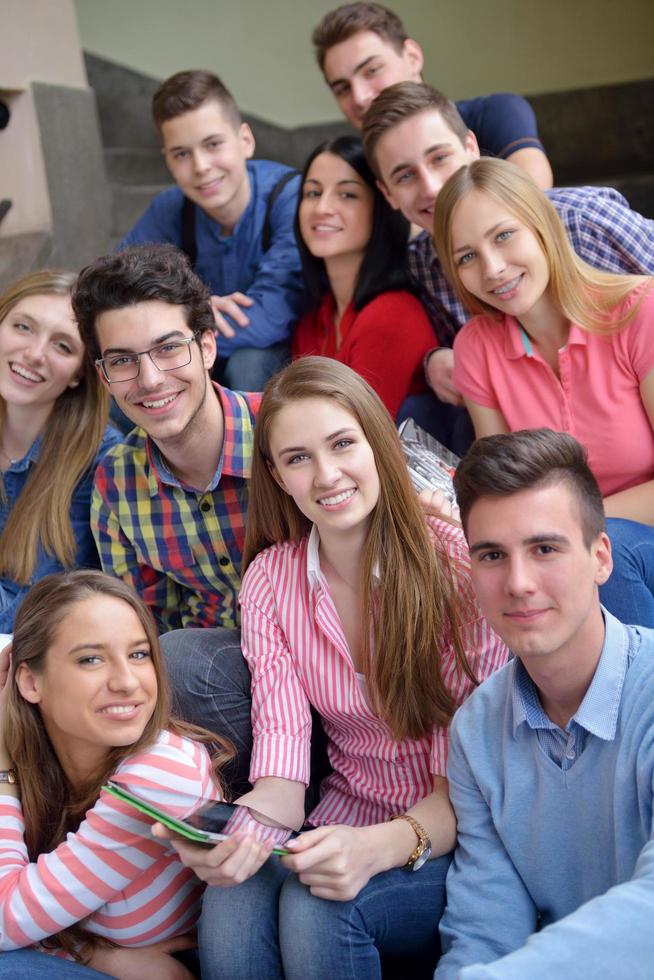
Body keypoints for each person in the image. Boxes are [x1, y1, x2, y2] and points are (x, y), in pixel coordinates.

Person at [155, 356, 507, 980]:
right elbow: (284, 768)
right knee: (231, 899)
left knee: (317, 908)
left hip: (450, 837)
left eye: (343, 444)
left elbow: (478, 780)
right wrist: (240, 839)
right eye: (297, 458)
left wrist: (378, 847)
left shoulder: (458, 567)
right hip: (338, 817)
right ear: (276, 474)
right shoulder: (271, 579)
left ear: (376, 442)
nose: (326, 475)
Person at [434, 429, 654, 979]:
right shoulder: (475, 730)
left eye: (545, 549)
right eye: (491, 555)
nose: (519, 582)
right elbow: (484, 926)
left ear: (601, 557)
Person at [361, 82, 654, 449]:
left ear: (471, 147)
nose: (432, 186)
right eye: (405, 176)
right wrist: (432, 360)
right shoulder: (423, 266)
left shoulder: (585, 219)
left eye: (439, 158)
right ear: (387, 193)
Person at [432, 157, 654, 624]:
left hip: (632, 543)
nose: (492, 268)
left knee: (597, 562)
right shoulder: (476, 347)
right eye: (467, 257)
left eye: (504, 235)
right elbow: (502, 487)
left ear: (542, 226)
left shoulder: (640, 311)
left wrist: (563, 526)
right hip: (558, 549)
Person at [72, 245, 258, 791]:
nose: (149, 379)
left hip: (335, 671)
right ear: (104, 376)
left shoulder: (287, 430)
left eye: (169, 349)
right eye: (123, 360)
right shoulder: (117, 482)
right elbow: (147, 629)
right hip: (223, 694)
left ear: (207, 346)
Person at [0, 569, 232, 979]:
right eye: (91, 659)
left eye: (139, 654)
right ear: (30, 681)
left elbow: (5, 921)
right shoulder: (32, 765)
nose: (127, 682)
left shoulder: (161, 771)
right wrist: (99, 956)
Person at [120, 70, 304, 391]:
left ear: (245, 141)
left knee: (250, 364)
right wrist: (198, 310)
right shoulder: (171, 208)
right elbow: (119, 286)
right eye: (182, 154)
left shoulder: (289, 197)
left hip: (281, 349)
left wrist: (185, 324)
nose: (201, 166)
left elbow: (268, 317)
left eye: (213, 144)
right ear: (168, 161)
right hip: (201, 347)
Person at [311, 2, 553, 189]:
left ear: (413, 57)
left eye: (372, 70)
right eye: (342, 88)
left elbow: (535, 196)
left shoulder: (494, 113)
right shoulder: (355, 171)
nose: (360, 97)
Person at [0, 270, 119, 634]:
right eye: (23, 327)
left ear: (78, 374)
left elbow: (34, 605)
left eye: (62, 346)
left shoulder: (99, 460)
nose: (34, 354)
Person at [292, 134, 434, 417]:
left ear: (381, 209)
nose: (322, 208)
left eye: (347, 194)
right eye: (313, 193)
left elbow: (354, 432)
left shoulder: (392, 315)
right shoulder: (313, 320)